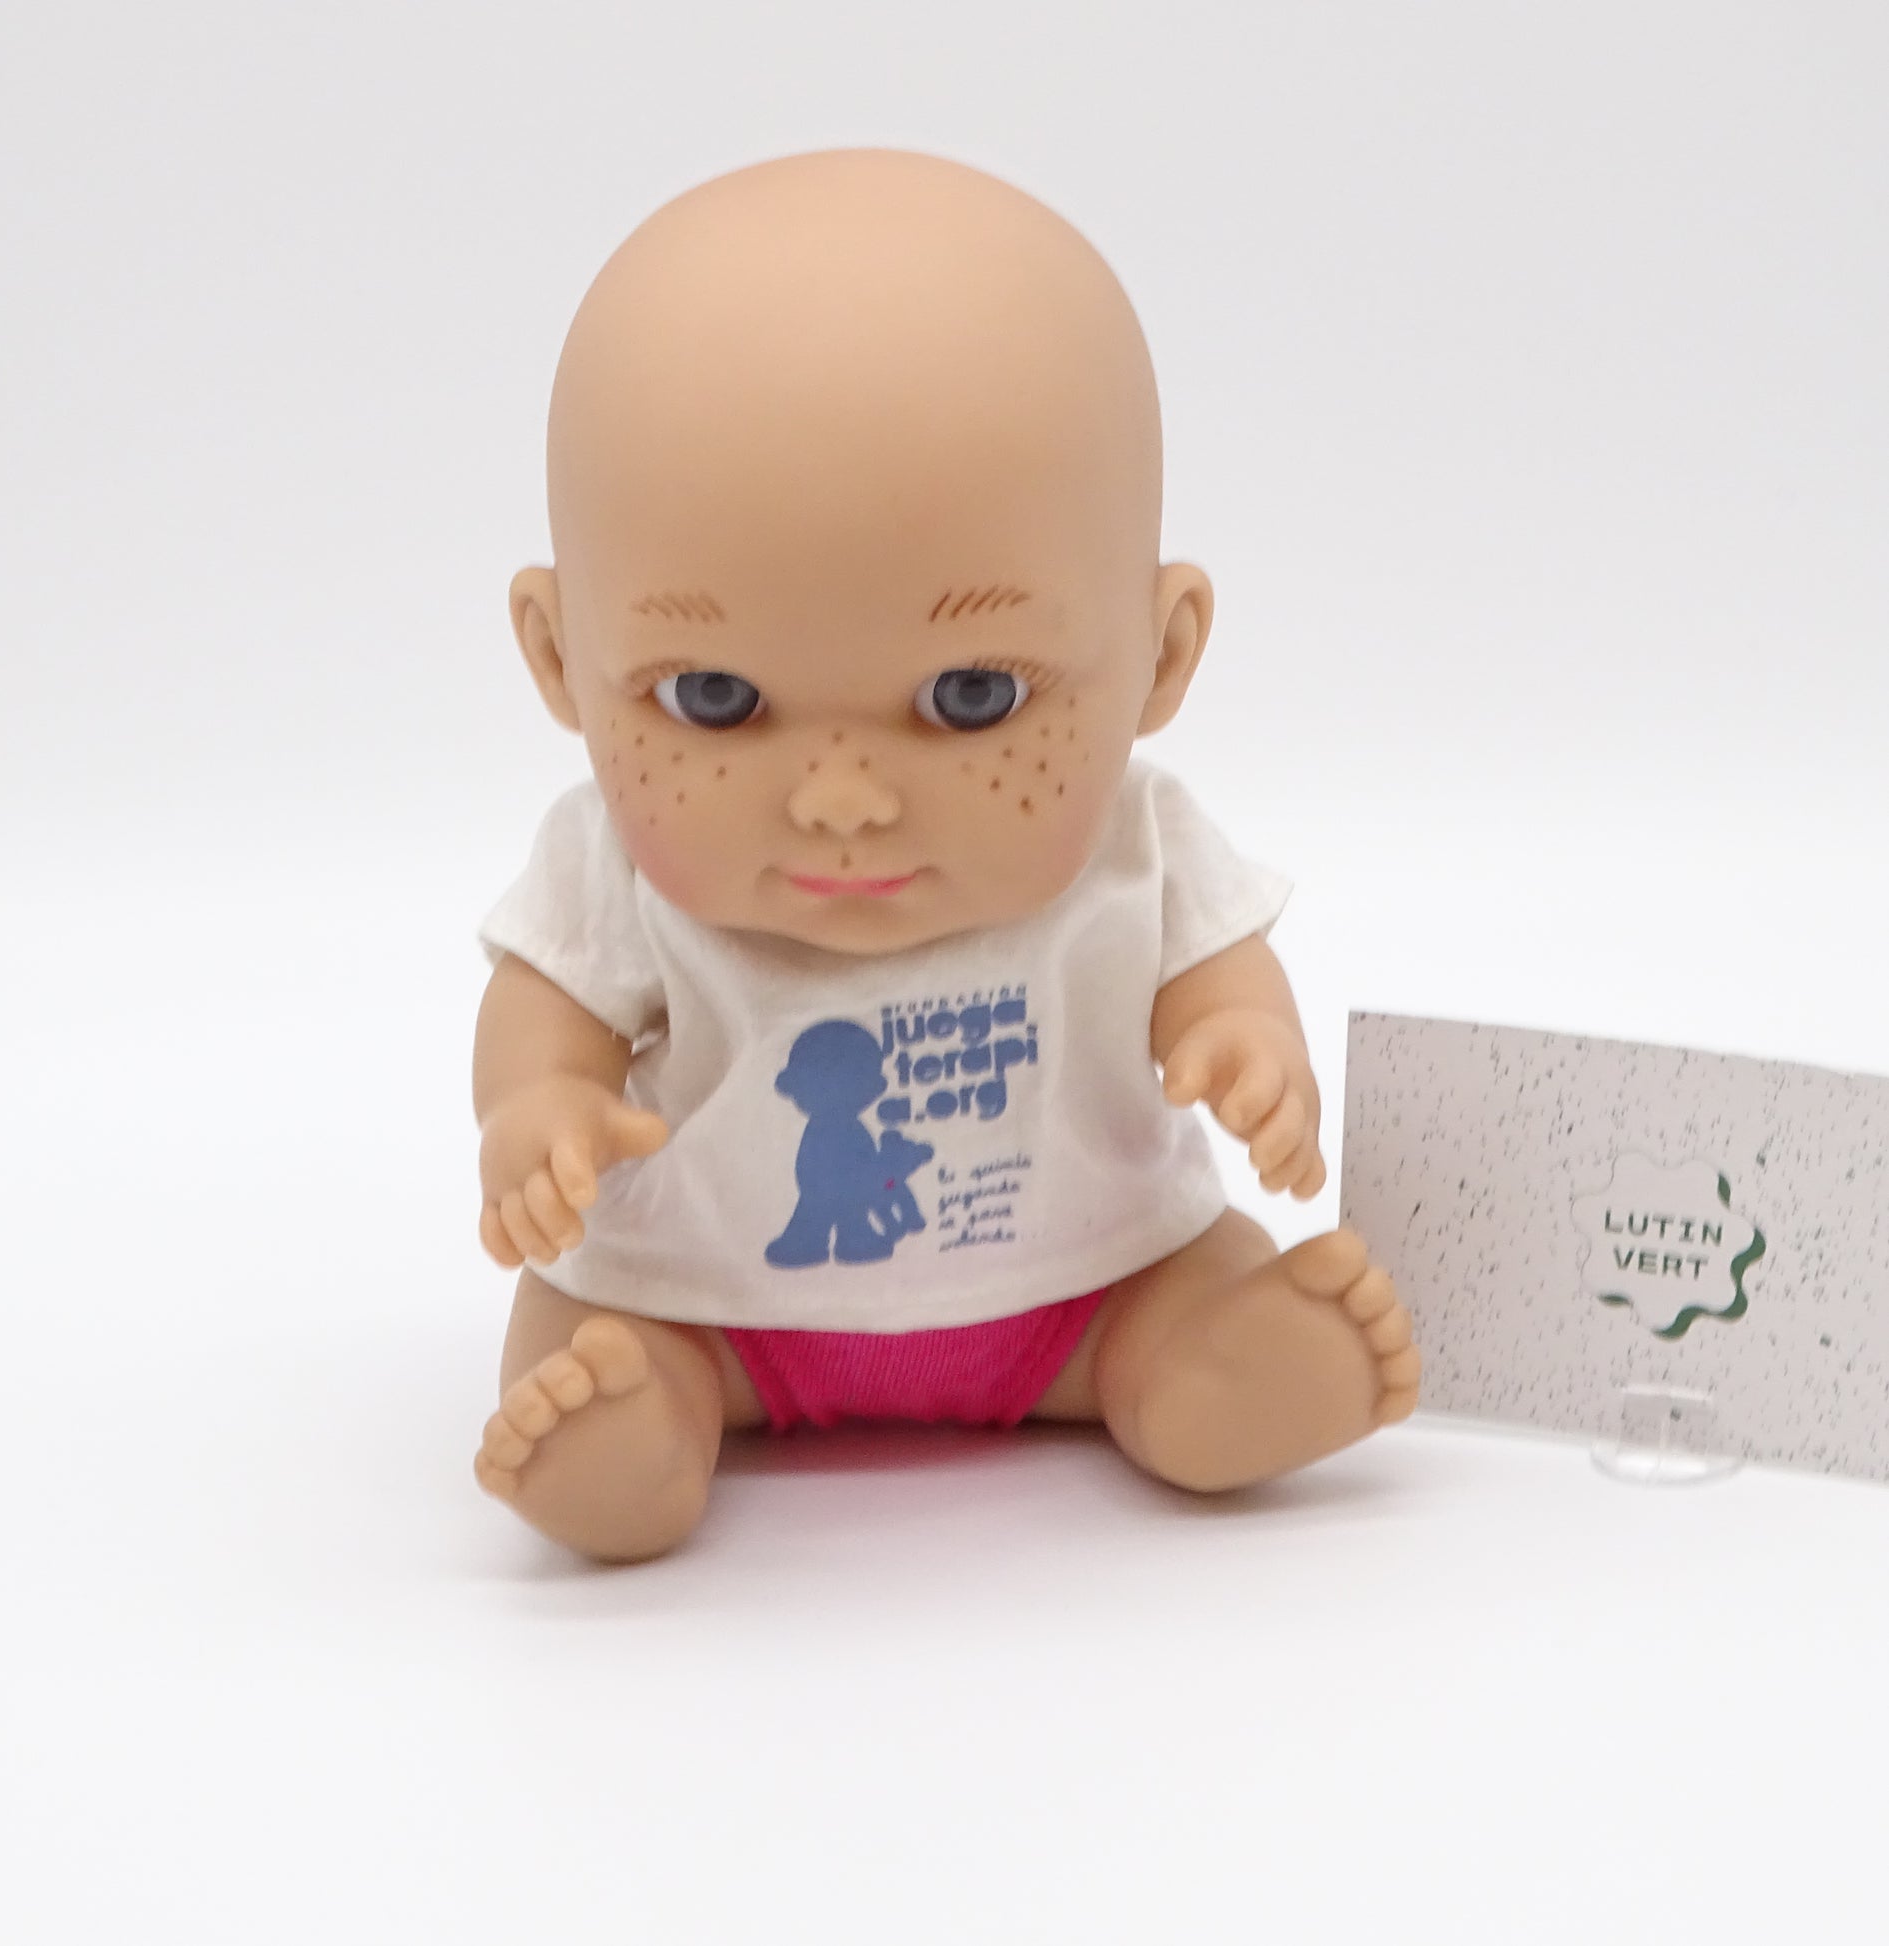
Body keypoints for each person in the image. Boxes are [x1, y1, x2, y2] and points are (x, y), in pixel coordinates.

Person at [471, 149, 1418, 1563]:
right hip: (705, 1301)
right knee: (590, 1325)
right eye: (715, 699)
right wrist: (535, 1109)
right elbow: (544, 1015)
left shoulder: (1138, 841)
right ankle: (641, 1427)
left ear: (1159, 656)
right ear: (561, 658)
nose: (842, 800)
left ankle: (1207, 1368)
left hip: (1089, 1284)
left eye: (972, 696)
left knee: (1188, 1285)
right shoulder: (603, 868)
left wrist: (1243, 1042)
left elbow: (1214, 972)